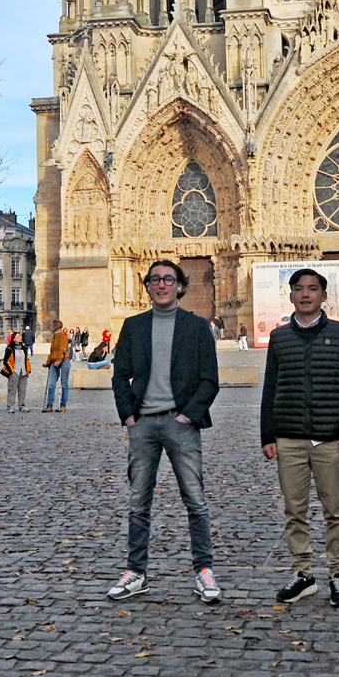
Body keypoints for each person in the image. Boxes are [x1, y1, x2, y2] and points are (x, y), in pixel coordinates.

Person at [107, 259, 222, 605]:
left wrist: (188, 416)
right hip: (142, 424)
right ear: (147, 286)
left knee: (195, 500)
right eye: (154, 279)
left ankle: (204, 571)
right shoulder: (133, 325)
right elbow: (119, 375)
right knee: (138, 501)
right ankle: (135, 572)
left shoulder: (197, 326)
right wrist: (129, 416)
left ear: (180, 286)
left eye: (168, 279)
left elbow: (210, 380)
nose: (161, 285)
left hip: (180, 423)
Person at [259, 268, 339, 608]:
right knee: (295, 510)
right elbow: (270, 388)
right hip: (288, 438)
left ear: (324, 296)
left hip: (330, 439)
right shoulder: (279, 337)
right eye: (299, 289)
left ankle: (338, 574)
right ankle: (303, 574)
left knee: (335, 511)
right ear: (290, 296)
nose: (306, 294)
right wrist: (267, 434)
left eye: (313, 289)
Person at [1, 330, 33, 413]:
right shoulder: (9, 348)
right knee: (12, 390)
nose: (20, 337)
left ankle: (22, 406)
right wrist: (11, 371)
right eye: (18, 336)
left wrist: (28, 370)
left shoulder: (23, 348)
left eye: (20, 336)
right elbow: (5, 361)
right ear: (14, 339)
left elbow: (26, 360)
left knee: (22, 390)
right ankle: (10, 406)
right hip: (14, 371)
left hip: (23, 371)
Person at [44, 319, 72, 412]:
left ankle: (63, 405)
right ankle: (49, 405)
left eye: (52, 326)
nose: (50, 327)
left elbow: (62, 350)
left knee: (64, 384)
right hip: (54, 361)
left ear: (55, 326)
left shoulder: (62, 336)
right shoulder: (54, 336)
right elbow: (52, 352)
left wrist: (59, 360)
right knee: (51, 384)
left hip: (63, 360)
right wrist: (48, 362)